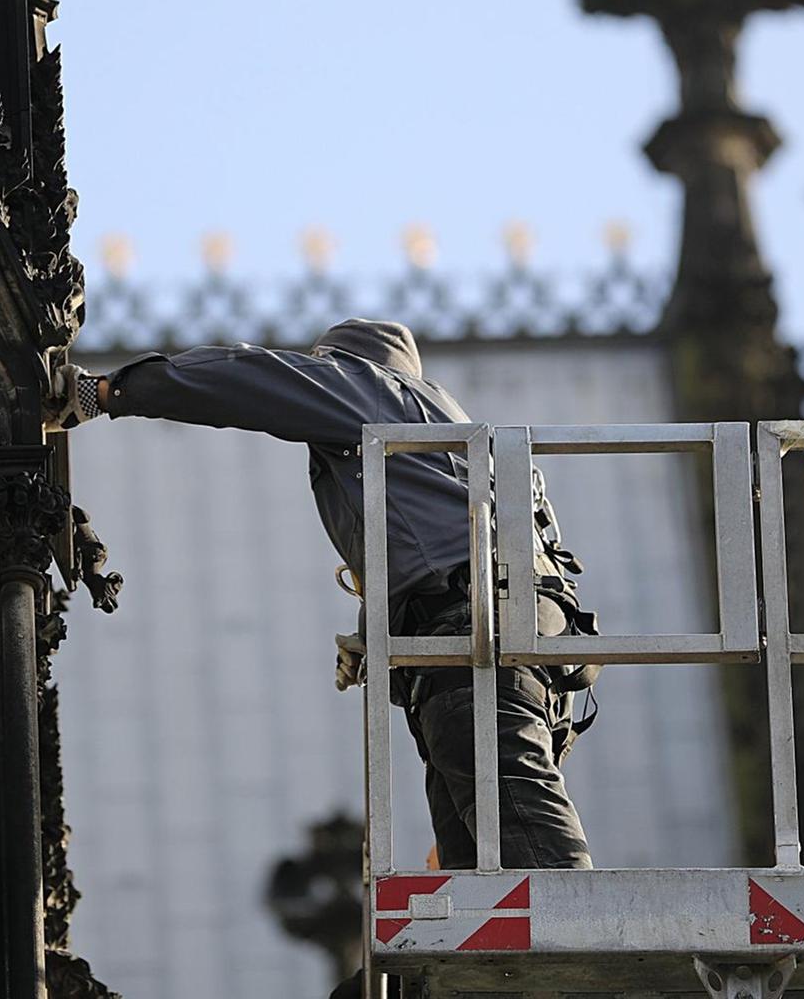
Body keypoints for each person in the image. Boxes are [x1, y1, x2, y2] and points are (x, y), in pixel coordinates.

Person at [48, 319, 597, 873]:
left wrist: (108, 393)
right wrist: (375, 633)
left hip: (471, 642)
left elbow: (249, 378)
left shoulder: (370, 391)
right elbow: (445, 546)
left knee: (540, 872)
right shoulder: (454, 432)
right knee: (487, 873)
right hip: (510, 647)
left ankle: (586, 940)